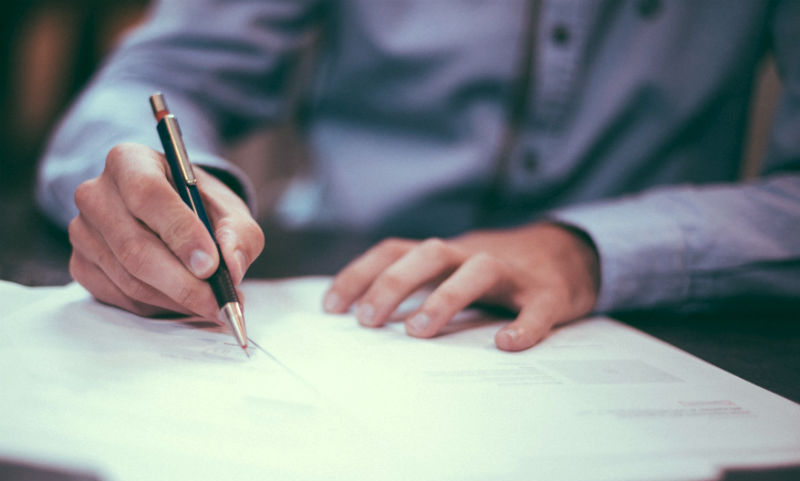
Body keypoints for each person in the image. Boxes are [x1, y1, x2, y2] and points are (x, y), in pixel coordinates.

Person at [37, 0, 800, 351]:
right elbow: (158, 74)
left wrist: (589, 247)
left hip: (664, 324)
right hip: (337, 293)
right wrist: (166, 191)